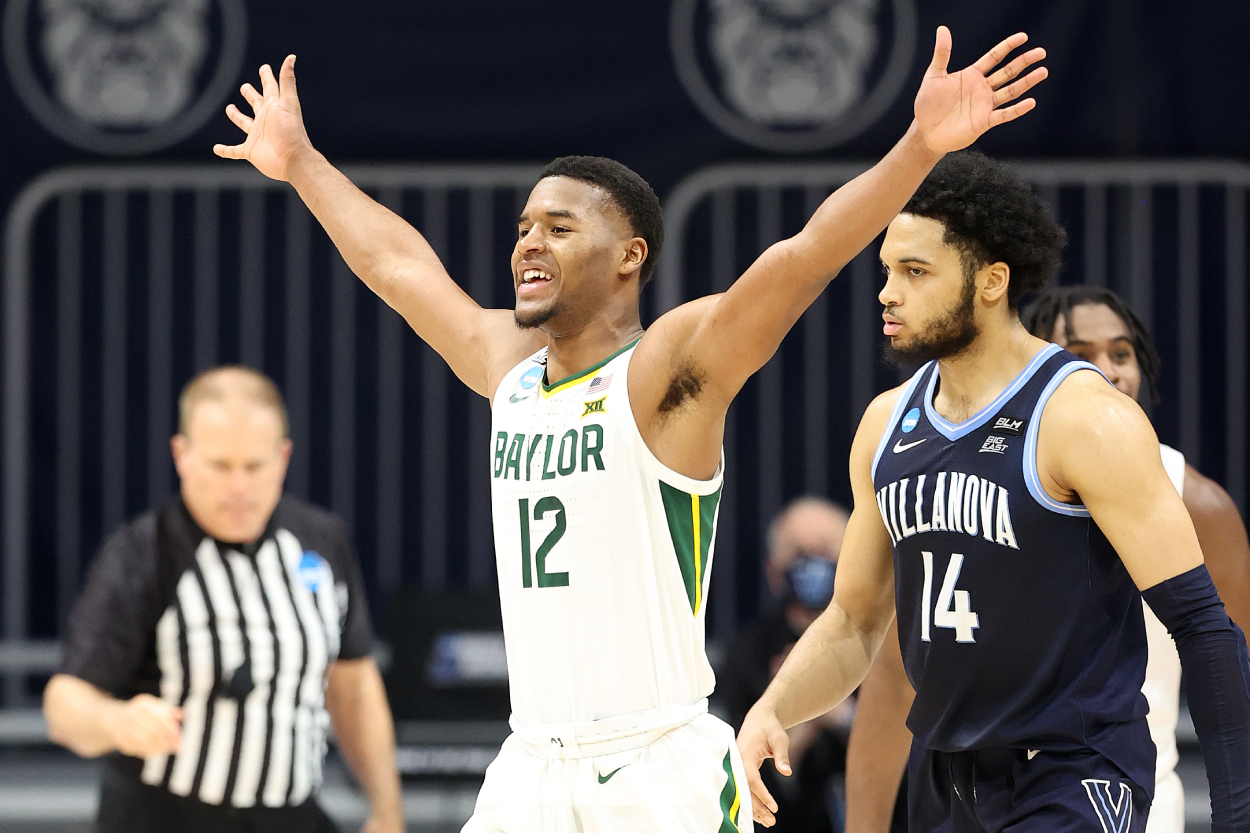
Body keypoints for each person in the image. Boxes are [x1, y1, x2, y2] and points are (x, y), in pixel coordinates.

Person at [213, 25, 1048, 831]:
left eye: (560, 227)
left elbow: (803, 257)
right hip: (532, 764)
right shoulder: (510, 366)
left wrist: (920, 146)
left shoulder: (668, 370)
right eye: (524, 228)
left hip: (656, 769)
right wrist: (300, 163)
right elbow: (397, 266)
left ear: (630, 255)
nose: (529, 244)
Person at [735, 151, 1250, 832]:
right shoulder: (886, 423)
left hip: (1071, 771)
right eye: (887, 270)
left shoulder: (1082, 417)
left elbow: (1204, 627)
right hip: (945, 775)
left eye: (915, 272)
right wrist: (773, 705)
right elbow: (855, 621)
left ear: (990, 281)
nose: (888, 292)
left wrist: (1235, 813)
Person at [840, 285, 1250, 833]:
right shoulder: (975, 485)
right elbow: (892, 681)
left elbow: (1231, 663)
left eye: (1121, 353)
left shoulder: (1196, 501)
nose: (1109, 371)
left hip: (1112, 792)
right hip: (972, 784)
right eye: (1082, 354)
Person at [42, 367, 403, 833]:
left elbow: (354, 688)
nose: (239, 488)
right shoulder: (143, 554)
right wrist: (116, 721)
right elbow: (63, 704)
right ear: (181, 455)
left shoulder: (320, 541)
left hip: (290, 816)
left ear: (284, 458)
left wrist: (387, 810)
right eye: (219, 466)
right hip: (165, 816)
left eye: (254, 466)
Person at [716, 497, 853, 833]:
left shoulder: (886, 644)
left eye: (824, 550)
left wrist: (842, 715)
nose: (812, 565)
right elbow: (737, 778)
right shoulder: (748, 653)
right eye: (797, 554)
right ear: (774, 570)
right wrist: (794, 720)